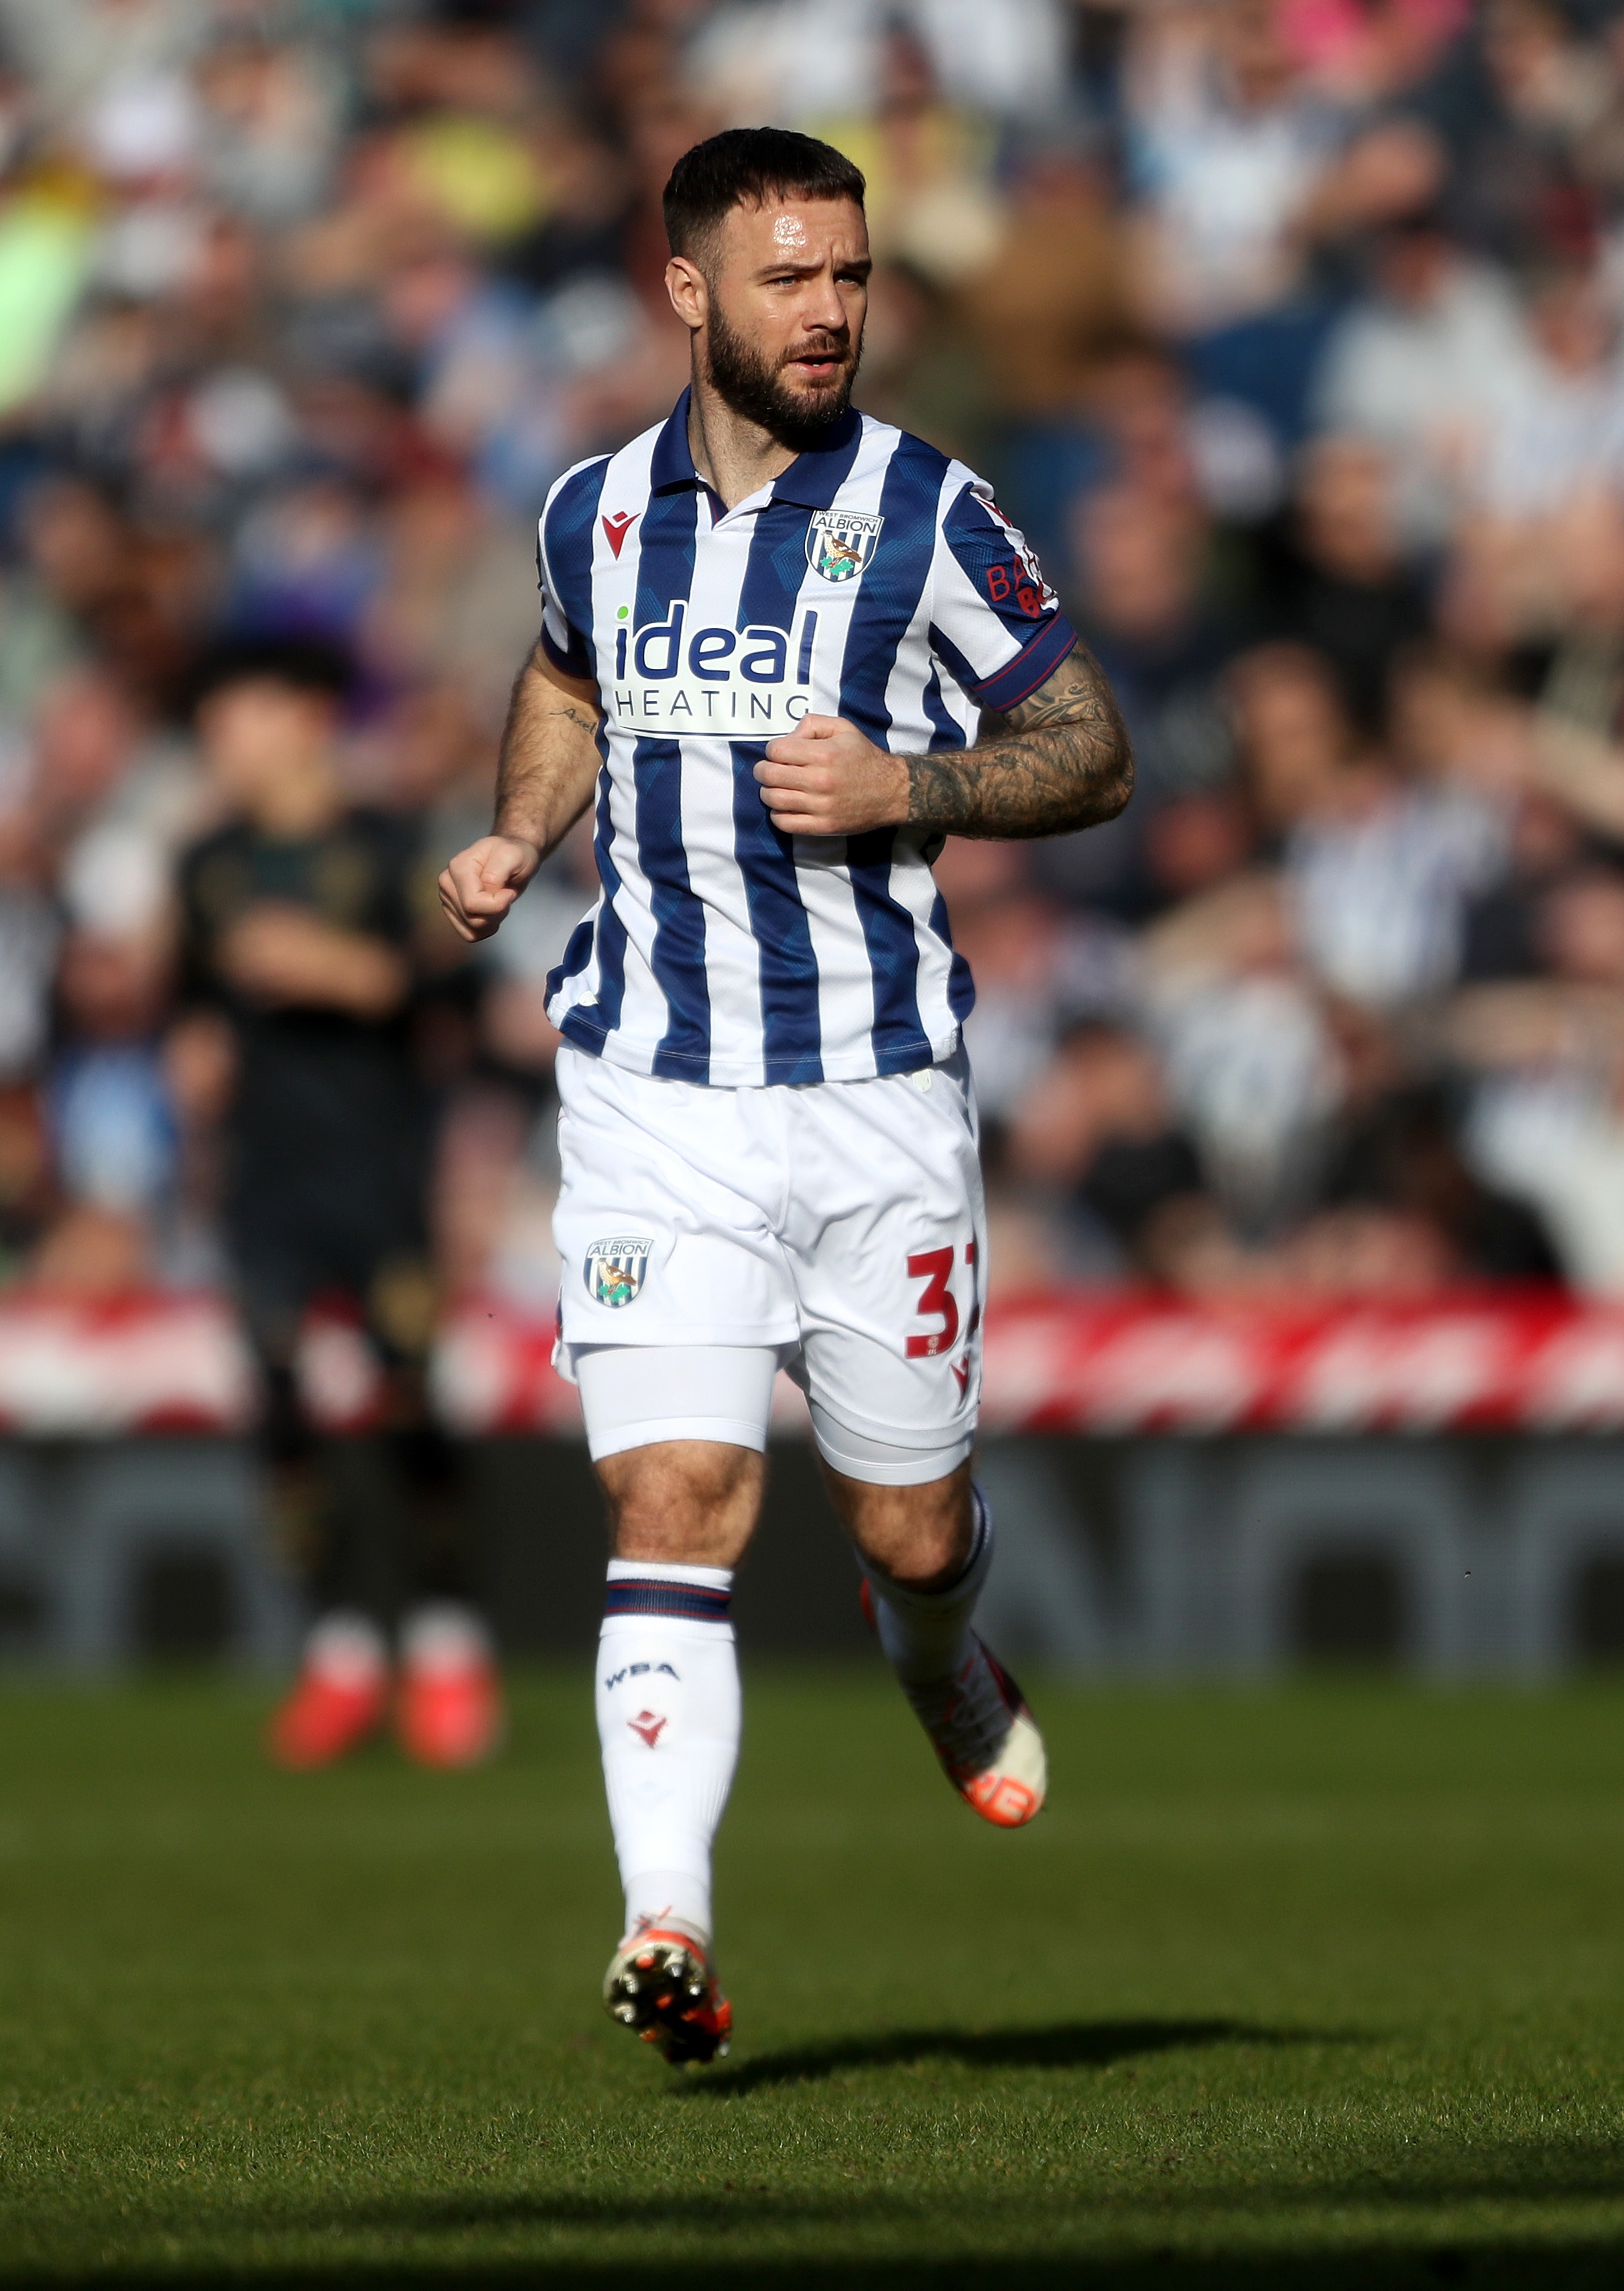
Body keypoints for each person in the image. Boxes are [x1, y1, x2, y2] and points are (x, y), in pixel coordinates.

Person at [434, 128, 1134, 2066]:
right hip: (653, 1083)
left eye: (850, 275)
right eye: (789, 279)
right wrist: (517, 832)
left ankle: (940, 1656)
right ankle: (668, 1920)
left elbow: (1089, 745)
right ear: (689, 293)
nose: (829, 312)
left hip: (873, 1093)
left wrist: (914, 788)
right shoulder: (593, 509)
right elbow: (567, 681)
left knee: (906, 1527)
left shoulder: (926, 507)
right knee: (679, 1494)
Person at [174, 641, 499, 1773]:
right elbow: (189, 1001)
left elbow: (454, 985)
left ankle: (449, 1640)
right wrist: (192, 1052)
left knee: (404, 1401)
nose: (223, 733)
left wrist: (335, 969)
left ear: (308, 717)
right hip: (264, 1175)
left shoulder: (390, 842)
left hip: (378, 1168)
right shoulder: (206, 862)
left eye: (242, 707)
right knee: (278, 1405)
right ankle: (342, 1646)